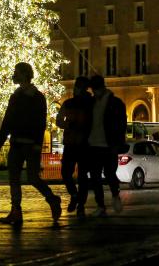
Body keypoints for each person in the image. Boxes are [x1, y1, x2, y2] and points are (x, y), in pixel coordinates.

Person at [0, 62, 61, 226]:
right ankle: (16, 211)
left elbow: (40, 121)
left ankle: (52, 199)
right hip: (16, 143)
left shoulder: (37, 97)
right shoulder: (15, 96)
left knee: (32, 178)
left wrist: (38, 142)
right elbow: (8, 121)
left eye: (16, 72)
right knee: (14, 178)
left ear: (24, 74)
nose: (13, 75)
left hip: (30, 144)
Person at [85, 74, 127, 217]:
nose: (94, 91)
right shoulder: (91, 103)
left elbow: (121, 125)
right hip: (93, 144)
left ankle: (115, 196)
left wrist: (117, 144)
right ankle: (100, 205)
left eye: (95, 89)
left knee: (110, 174)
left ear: (102, 87)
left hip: (108, 145)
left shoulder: (115, 103)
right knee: (95, 176)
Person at [55, 76, 93, 219]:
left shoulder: (74, 103)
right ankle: (78, 199)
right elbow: (59, 120)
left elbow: (59, 120)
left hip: (77, 143)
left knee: (72, 174)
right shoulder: (86, 103)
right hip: (78, 143)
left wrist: (67, 125)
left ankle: (77, 199)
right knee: (77, 175)